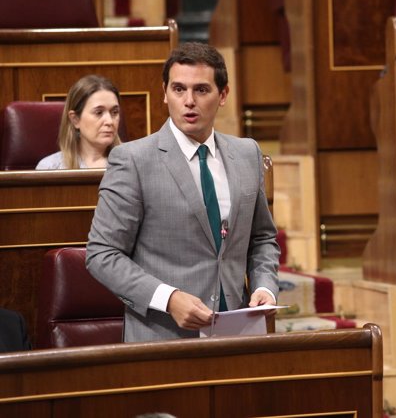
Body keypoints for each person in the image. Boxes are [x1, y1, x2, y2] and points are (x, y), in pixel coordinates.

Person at [86, 42, 280, 342]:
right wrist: (168, 298)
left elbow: (262, 238)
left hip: (239, 334)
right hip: (164, 337)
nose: (189, 101)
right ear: (164, 93)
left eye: (201, 90)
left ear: (223, 95)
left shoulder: (247, 153)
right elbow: (102, 254)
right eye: (178, 89)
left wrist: (264, 287)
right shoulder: (133, 160)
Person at [36, 75, 122, 170]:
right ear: (75, 119)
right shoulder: (50, 167)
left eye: (114, 112)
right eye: (99, 112)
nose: (109, 121)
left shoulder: (132, 163)